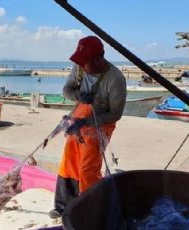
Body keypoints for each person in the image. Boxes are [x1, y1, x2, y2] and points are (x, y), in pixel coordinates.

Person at [49, 36, 126, 218]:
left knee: (88, 167)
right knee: (69, 161)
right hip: (77, 118)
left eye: (85, 62)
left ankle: (89, 207)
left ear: (98, 59)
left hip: (101, 124)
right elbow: (66, 91)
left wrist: (89, 122)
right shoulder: (79, 67)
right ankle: (63, 205)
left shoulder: (115, 79)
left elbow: (116, 114)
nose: (81, 66)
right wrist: (79, 96)